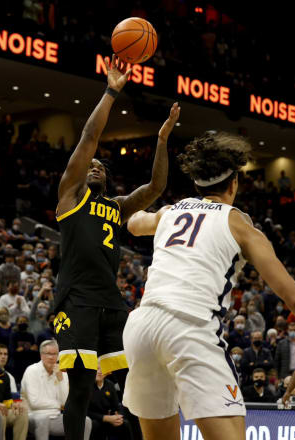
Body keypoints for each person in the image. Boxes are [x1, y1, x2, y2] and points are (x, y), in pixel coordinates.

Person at [122, 131, 295, 440]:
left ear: (197, 184)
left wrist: (115, 204)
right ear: (234, 183)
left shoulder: (172, 211)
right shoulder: (240, 225)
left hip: (142, 327)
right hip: (189, 328)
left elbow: (132, 221)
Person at [54, 54, 179, 440]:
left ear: (107, 178)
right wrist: (111, 91)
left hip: (111, 303)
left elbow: (156, 189)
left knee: (133, 388)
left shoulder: (117, 206)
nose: (93, 165)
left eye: (100, 167)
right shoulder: (70, 197)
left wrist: (161, 140)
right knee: (78, 389)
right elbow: (89, 138)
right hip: (76, 300)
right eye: (89, 164)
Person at [21, 340, 92, 440]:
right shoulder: (31, 371)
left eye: (55, 354)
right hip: (34, 415)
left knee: (85, 421)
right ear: (41, 355)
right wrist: (58, 405)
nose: (51, 357)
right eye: (48, 354)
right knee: (43, 419)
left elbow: (65, 402)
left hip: (56, 416)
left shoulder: (61, 372)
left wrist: (61, 379)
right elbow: (35, 402)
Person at [88, 366, 135, 440]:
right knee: (95, 425)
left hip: (110, 419)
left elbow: (116, 406)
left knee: (125, 424)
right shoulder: (87, 387)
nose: (99, 372)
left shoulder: (110, 385)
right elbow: (86, 412)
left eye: (102, 369)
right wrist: (105, 418)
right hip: (95, 419)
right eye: (97, 369)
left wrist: (117, 416)